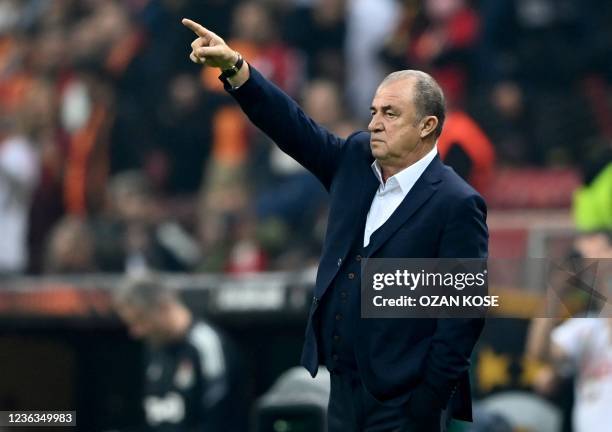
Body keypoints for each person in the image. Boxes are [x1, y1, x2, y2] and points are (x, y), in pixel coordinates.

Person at [182, 17, 488, 432]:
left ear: (427, 126)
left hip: (405, 405)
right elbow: (294, 128)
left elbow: (460, 319)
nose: (375, 122)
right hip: (341, 392)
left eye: (391, 114)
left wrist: (426, 402)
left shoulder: (456, 203)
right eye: (374, 111)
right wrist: (237, 69)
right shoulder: (358, 161)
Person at [113, 274, 246, 432]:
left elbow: (218, 420)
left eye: (140, 320)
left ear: (162, 307)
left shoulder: (205, 344)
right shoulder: (154, 347)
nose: (136, 332)